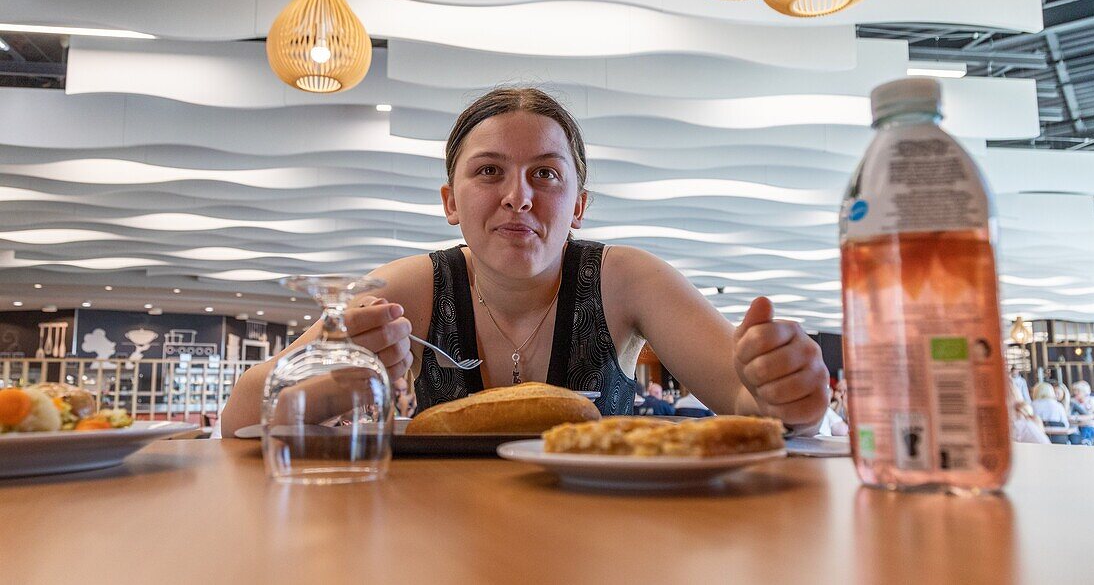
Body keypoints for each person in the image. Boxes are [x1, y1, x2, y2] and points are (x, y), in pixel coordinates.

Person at [220, 87, 829, 436]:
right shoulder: (414, 286)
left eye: (546, 174)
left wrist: (787, 392)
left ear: (580, 205)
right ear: (451, 202)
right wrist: (342, 382)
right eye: (490, 171)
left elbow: (746, 400)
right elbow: (242, 414)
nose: (518, 196)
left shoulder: (625, 279)